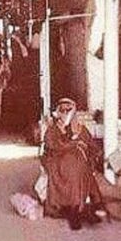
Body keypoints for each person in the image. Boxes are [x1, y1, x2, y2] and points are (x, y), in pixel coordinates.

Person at [42, 97, 103, 231]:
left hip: (79, 161)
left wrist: (91, 151)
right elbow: (53, 146)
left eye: (68, 110)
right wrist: (74, 143)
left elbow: (91, 146)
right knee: (73, 167)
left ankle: (83, 209)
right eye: (62, 110)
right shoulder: (53, 129)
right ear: (58, 112)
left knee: (81, 169)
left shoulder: (80, 128)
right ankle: (74, 211)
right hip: (57, 160)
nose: (65, 113)